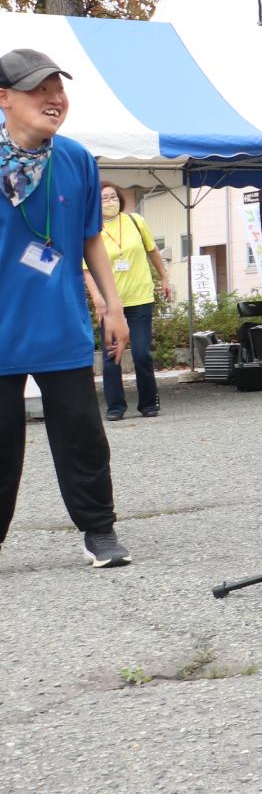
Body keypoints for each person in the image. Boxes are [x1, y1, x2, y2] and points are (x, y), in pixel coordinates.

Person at [0, 48, 132, 568]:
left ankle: (98, 530)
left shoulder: (75, 158)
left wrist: (112, 306)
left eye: (59, 89)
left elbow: (90, 239)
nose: (55, 99)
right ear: (4, 98)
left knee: (82, 436)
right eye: (40, 90)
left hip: (60, 324)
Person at [87, 183, 171, 421]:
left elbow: (152, 250)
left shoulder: (135, 221)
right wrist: (98, 299)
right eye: (104, 198)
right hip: (112, 305)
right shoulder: (93, 229)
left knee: (142, 353)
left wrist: (164, 277)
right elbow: (86, 269)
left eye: (113, 196)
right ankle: (115, 405)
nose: (110, 201)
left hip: (140, 297)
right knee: (112, 355)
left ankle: (148, 402)